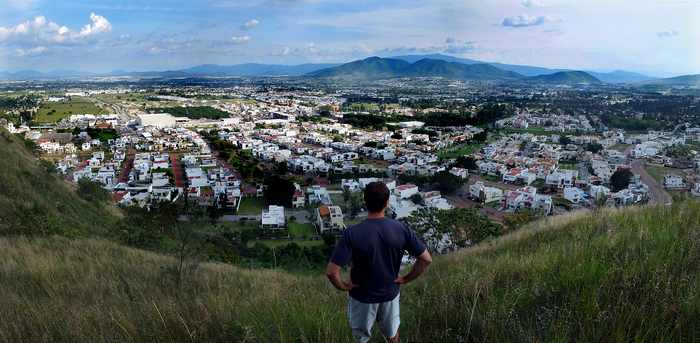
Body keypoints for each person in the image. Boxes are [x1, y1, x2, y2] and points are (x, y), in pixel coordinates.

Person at [326, 181, 432, 343]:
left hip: (361, 296)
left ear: (365, 201)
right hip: (390, 294)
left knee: (361, 338)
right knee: (392, 335)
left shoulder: (352, 233)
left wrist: (344, 286)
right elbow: (426, 259)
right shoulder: (401, 228)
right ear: (387, 203)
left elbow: (332, 272)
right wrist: (405, 278)